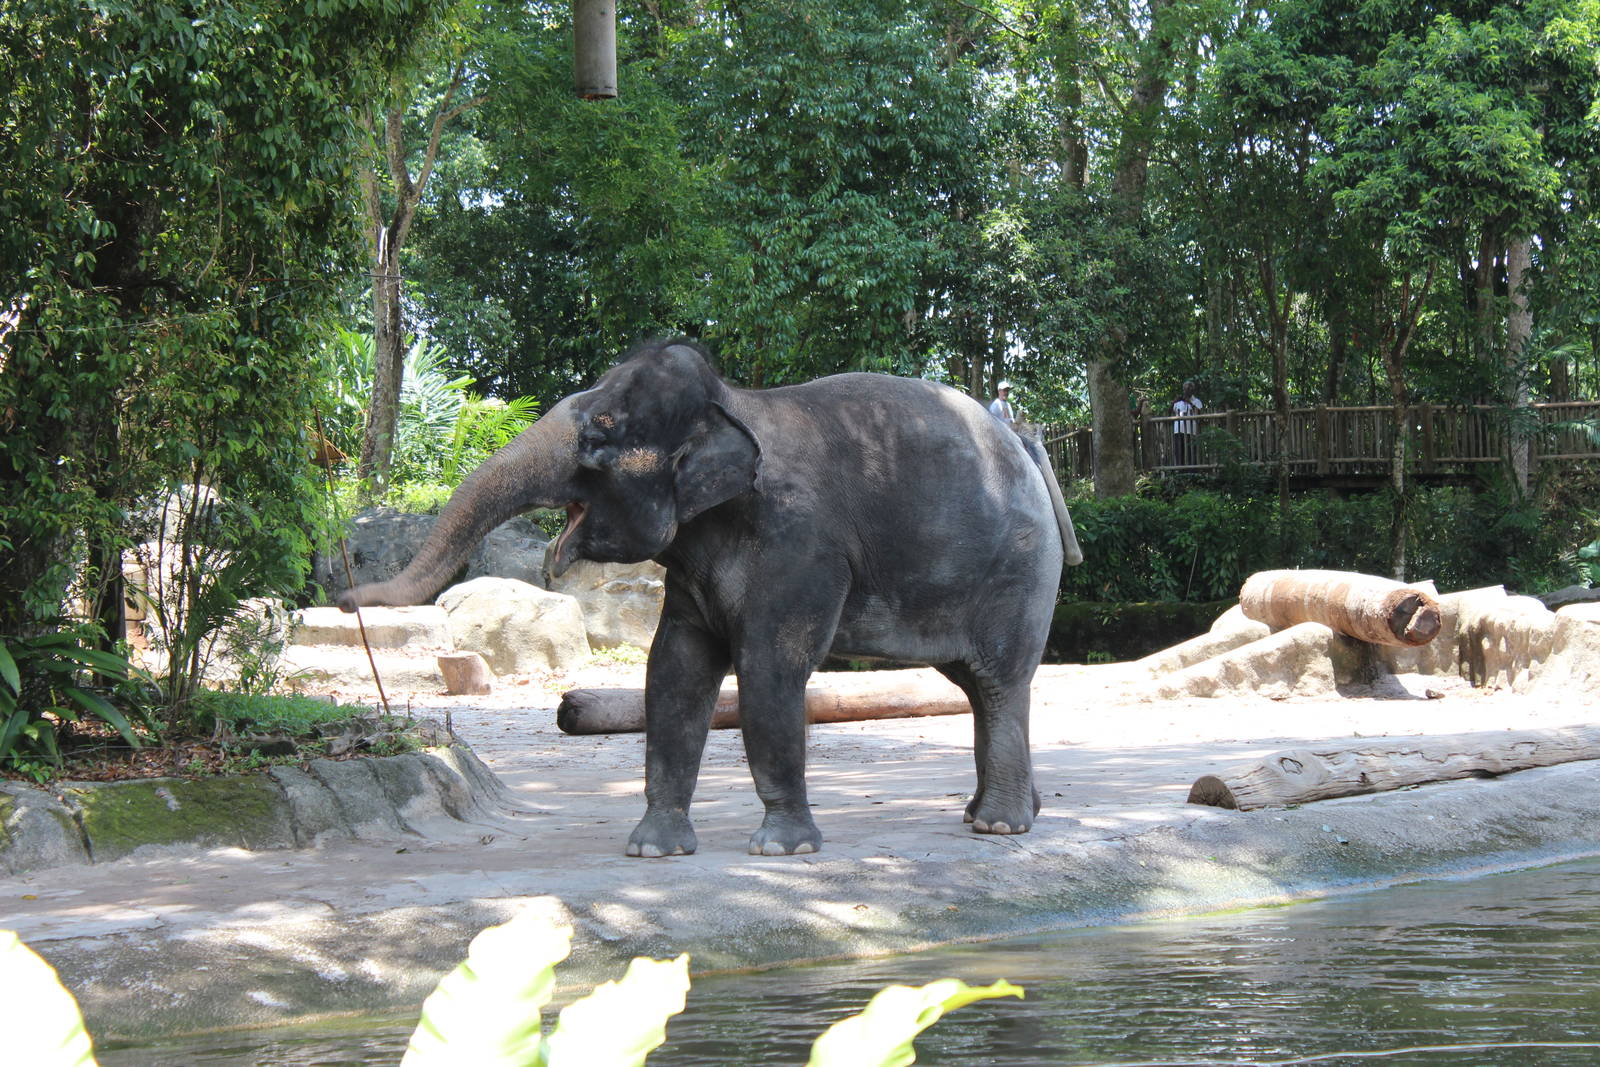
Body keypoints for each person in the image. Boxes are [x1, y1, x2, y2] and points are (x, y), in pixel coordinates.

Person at [1172, 380, 1203, 467]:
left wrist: (1190, 402)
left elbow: (1200, 413)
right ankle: (1179, 470)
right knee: (1179, 452)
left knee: (1190, 452)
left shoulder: (1197, 401)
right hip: (1178, 430)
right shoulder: (1178, 402)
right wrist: (1173, 402)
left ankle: (1191, 471)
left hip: (1191, 431)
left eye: (1188, 389)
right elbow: (1169, 411)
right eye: (1184, 389)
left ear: (1192, 390)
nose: (1186, 391)